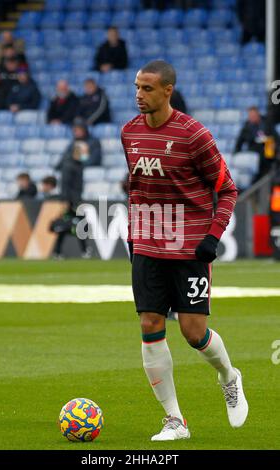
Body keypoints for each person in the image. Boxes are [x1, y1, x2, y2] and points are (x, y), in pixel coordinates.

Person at [121, 60, 248, 441]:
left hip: (189, 247)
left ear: (167, 91)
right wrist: (133, 236)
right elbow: (137, 189)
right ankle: (175, 421)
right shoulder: (129, 133)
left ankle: (229, 376)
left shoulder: (194, 135)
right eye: (137, 87)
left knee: (194, 333)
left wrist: (212, 235)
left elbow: (227, 189)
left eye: (146, 89)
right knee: (149, 324)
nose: (138, 95)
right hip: (146, 244)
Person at [234, 106, 278, 178]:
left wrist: (274, 144)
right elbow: (239, 141)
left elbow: (276, 137)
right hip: (254, 154)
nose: (252, 118)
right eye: (250, 116)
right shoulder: (246, 126)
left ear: (258, 114)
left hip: (268, 153)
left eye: (254, 116)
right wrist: (236, 153)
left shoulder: (267, 122)